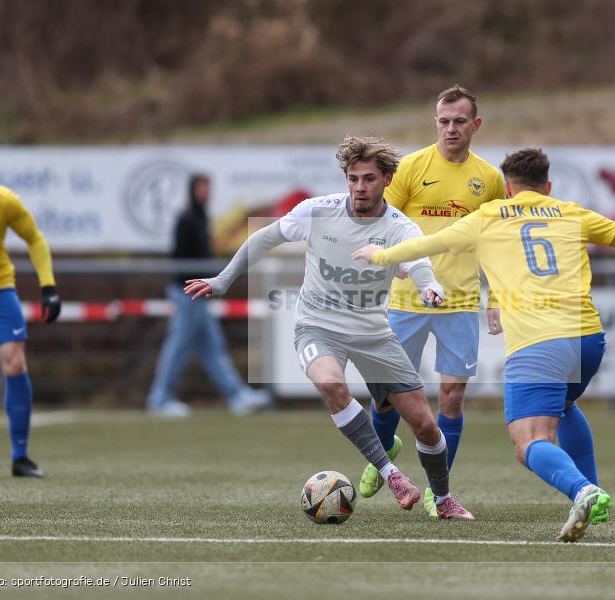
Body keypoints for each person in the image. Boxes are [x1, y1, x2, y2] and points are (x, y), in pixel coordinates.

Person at [352, 148, 615, 541]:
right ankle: (592, 491)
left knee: (528, 441)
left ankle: (583, 491)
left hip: (538, 343)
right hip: (588, 339)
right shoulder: (571, 212)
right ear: (547, 186)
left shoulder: (489, 216)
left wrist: (381, 255)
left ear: (508, 188)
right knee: (564, 406)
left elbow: (431, 244)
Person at [184, 136, 474, 520]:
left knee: (424, 424)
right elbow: (265, 237)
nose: (359, 187)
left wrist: (430, 287)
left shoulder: (400, 227)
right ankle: (391, 473)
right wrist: (222, 280)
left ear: (387, 180)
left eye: (368, 179)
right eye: (353, 178)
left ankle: (443, 498)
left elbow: (419, 266)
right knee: (331, 384)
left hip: (373, 334)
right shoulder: (319, 211)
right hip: (317, 326)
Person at [359, 85, 506, 517]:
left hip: (459, 301)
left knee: (452, 398)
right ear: (435, 122)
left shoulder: (489, 179)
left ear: (476, 124)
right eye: (443, 121)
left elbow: (497, 244)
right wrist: (394, 264)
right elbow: (382, 222)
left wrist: (496, 297)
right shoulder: (411, 167)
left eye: (459, 121)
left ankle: (437, 490)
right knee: (387, 395)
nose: (450, 129)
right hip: (407, 299)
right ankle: (383, 455)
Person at [0, 139, 61, 478]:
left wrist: (48, 287)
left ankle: (20, 456)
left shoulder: (2, 200)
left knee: (16, 362)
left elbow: (34, 238)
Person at [146, 174, 273, 417]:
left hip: (198, 293)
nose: (206, 192)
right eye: (202, 188)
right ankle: (160, 398)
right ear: (192, 190)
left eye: (208, 188)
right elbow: (180, 259)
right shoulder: (186, 219)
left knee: (212, 347)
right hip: (187, 293)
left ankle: (236, 396)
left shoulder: (201, 218)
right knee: (178, 345)